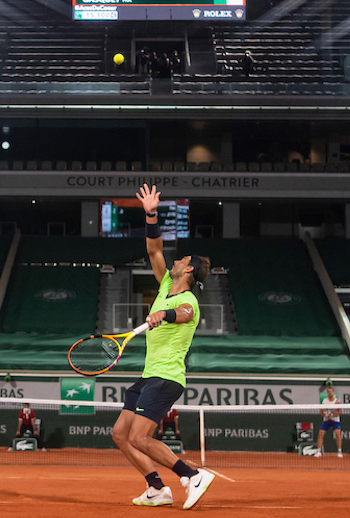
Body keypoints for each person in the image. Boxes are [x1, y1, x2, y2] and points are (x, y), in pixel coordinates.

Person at [112, 184, 215, 510]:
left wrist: (165, 314)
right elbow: (154, 250)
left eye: (183, 259)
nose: (176, 259)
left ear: (189, 270)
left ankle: (191, 475)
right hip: (148, 375)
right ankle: (157, 488)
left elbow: (183, 315)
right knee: (120, 435)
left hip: (167, 376)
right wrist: (151, 213)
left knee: (141, 437)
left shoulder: (188, 300)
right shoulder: (167, 285)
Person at [317, 387, 343, 457]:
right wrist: (326, 415)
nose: (330, 393)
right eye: (328, 392)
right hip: (326, 421)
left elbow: (340, 412)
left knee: (338, 433)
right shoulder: (324, 401)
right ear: (327, 393)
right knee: (321, 433)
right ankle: (318, 451)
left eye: (331, 392)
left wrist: (334, 414)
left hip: (335, 421)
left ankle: (339, 451)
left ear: (333, 392)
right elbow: (321, 413)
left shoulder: (337, 401)